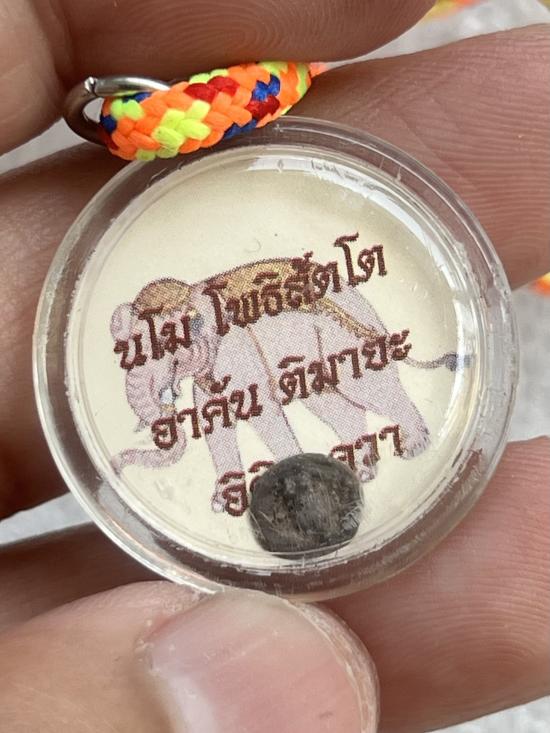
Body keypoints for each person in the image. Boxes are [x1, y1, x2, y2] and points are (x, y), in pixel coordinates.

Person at [0, 1, 548, 730]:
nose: (165, 366)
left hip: (317, 326)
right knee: (312, 402)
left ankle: (406, 420)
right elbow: (226, 419)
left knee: (344, 389)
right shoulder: (185, 339)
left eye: (172, 346)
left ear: (198, 319)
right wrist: (226, 475)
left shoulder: (222, 326)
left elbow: (268, 417)